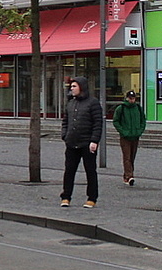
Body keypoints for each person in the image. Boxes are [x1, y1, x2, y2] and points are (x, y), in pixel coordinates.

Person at [60, 76, 103, 208]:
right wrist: (65, 135)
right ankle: (66, 197)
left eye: (74, 86)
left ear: (81, 87)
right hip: (72, 143)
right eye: (71, 86)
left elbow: (97, 123)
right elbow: (65, 121)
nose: (71, 89)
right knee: (69, 171)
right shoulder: (71, 103)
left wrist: (94, 140)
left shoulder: (93, 103)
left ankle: (92, 198)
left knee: (90, 171)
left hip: (87, 143)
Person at [112, 90, 146, 186]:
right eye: (130, 98)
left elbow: (143, 120)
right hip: (125, 137)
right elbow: (116, 121)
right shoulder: (121, 108)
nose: (132, 100)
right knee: (127, 157)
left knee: (132, 157)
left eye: (133, 98)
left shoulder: (138, 108)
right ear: (126, 98)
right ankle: (130, 176)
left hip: (135, 136)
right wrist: (123, 132)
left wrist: (140, 131)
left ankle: (126, 175)